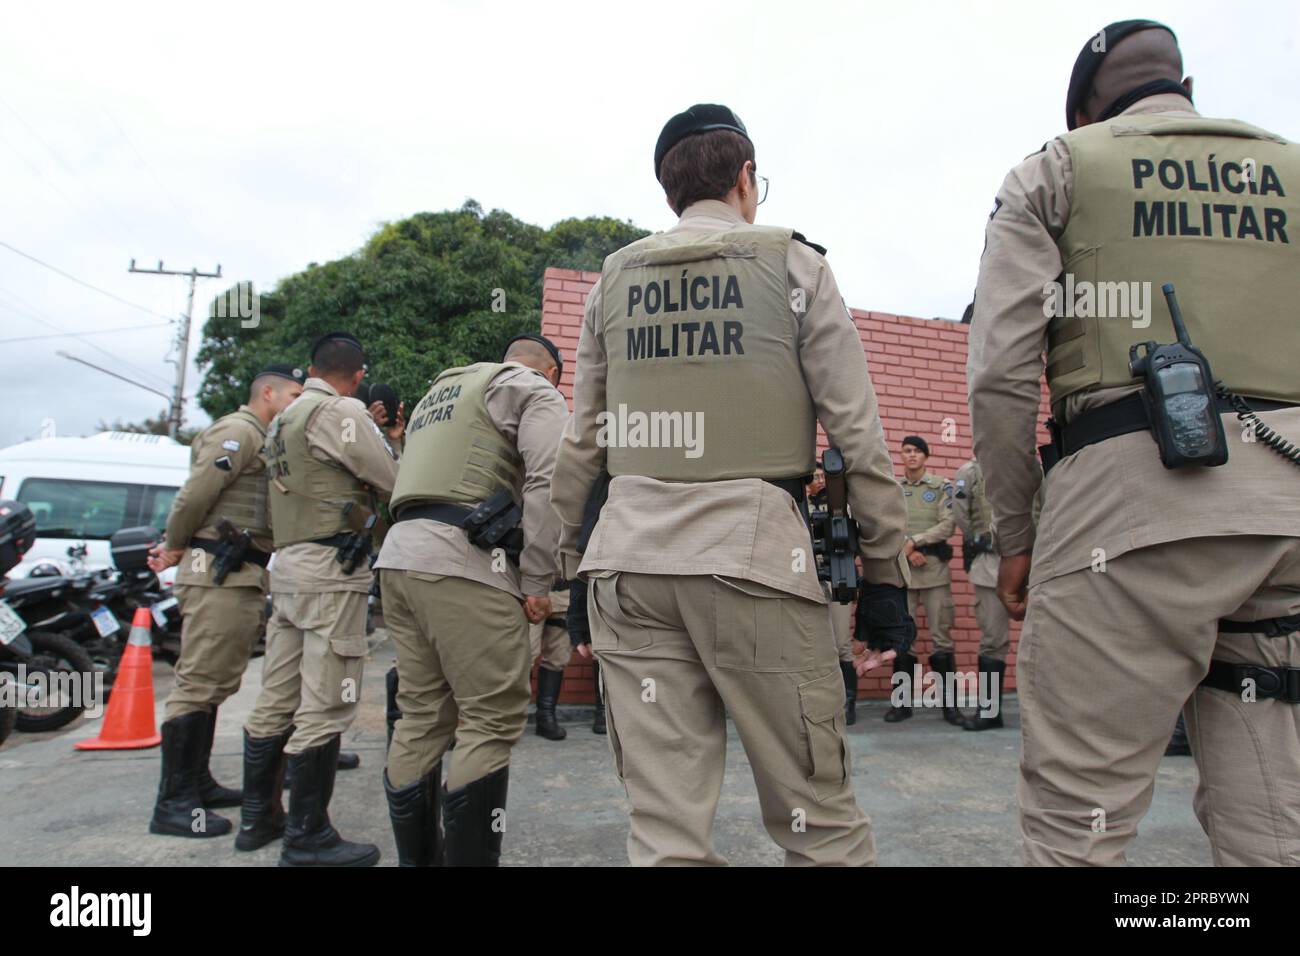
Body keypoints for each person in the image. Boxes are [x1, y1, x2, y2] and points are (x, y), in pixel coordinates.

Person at [969, 19, 1300, 866]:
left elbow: (1002, 375)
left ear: (1088, 109)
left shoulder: (1059, 167)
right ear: (1183, 88)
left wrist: (1016, 536)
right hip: (1291, 511)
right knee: (1275, 815)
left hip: (1129, 508)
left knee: (1078, 822)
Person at [551, 104, 914, 866]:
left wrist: (564, 572)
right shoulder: (793, 265)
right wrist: (887, 575)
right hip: (754, 557)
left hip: (629, 563)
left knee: (664, 828)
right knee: (820, 822)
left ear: (670, 192)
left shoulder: (612, 281)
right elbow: (858, 436)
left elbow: (581, 445)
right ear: (747, 177)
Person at [374, 333, 568, 866]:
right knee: (489, 720)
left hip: (400, 557)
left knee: (421, 716)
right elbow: (551, 482)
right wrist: (538, 582)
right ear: (551, 370)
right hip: (467, 565)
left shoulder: (444, 389)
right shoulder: (536, 390)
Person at [240, 332, 402, 866]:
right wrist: (388, 436)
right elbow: (391, 479)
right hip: (330, 573)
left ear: (311, 367)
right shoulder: (337, 412)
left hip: (287, 568)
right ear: (357, 375)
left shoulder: (283, 417)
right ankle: (306, 837)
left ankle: (258, 818)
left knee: (277, 697)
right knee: (327, 701)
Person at [146, 364, 304, 838]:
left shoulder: (263, 436)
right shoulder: (239, 432)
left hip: (237, 574)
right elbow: (195, 495)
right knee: (198, 682)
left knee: (215, 682)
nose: (298, 402)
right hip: (217, 571)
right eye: (295, 394)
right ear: (269, 393)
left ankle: (197, 784)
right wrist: (174, 543)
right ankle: (173, 803)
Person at [889, 436, 957, 724]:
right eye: (906, 451)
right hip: (903, 574)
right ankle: (902, 704)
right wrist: (906, 548)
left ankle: (949, 706)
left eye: (917, 451)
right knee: (905, 640)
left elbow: (948, 524)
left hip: (934, 573)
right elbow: (886, 524)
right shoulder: (894, 489)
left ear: (925, 456)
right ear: (901, 456)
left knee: (941, 638)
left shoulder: (943, 487)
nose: (912, 455)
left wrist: (915, 542)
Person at [952, 457, 1009, 731]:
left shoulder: (1030, 464)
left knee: (1049, 636)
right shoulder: (970, 471)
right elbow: (961, 513)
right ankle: (990, 710)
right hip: (991, 560)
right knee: (993, 638)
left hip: (1035, 557)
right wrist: (976, 538)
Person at [808, 468, 859, 725]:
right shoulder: (798, 506)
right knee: (813, 646)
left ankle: (848, 702)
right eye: (814, 477)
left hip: (836, 579)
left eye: (823, 477)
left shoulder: (841, 508)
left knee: (841, 644)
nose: (819, 481)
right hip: (807, 582)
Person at [531, 579, 574, 740]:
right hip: (532, 589)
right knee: (525, 655)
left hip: (565, 590)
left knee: (558, 657)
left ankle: (546, 717)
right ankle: (510, 717)